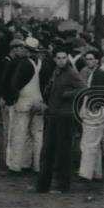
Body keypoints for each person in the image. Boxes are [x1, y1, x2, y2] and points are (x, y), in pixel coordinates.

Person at [35, 45, 84, 194]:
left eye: (64, 58)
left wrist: (67, 95)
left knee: (63, 153)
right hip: (53, 114)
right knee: (47, 151)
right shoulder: (56, 71)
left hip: (65, 117)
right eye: (59, 58)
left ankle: (63, 186)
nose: (61, 61)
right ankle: (43, 186)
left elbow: (83, 88)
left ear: (67, 58)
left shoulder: (71, 73)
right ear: (55, 59)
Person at [7, 36, 46, 173]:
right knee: (37, 134)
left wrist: (12, 98)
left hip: (23, 100)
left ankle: (16, 165)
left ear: (27, 49)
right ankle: (36, 165)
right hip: (39, 100)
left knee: (19, 134)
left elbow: (14, 84)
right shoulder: (42, 63)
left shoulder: (23, 64)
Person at [78, 47, 104, 181]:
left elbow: (102, 93)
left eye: (91, 59)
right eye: (87, 59)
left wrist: (93, 109)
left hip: (94, 111)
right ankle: (96, 172)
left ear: (97, 60)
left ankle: (86, 174)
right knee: (94, 143)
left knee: (88, 142)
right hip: (95, 109)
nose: (88, 61)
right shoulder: (95, 73)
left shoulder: (100, 74)